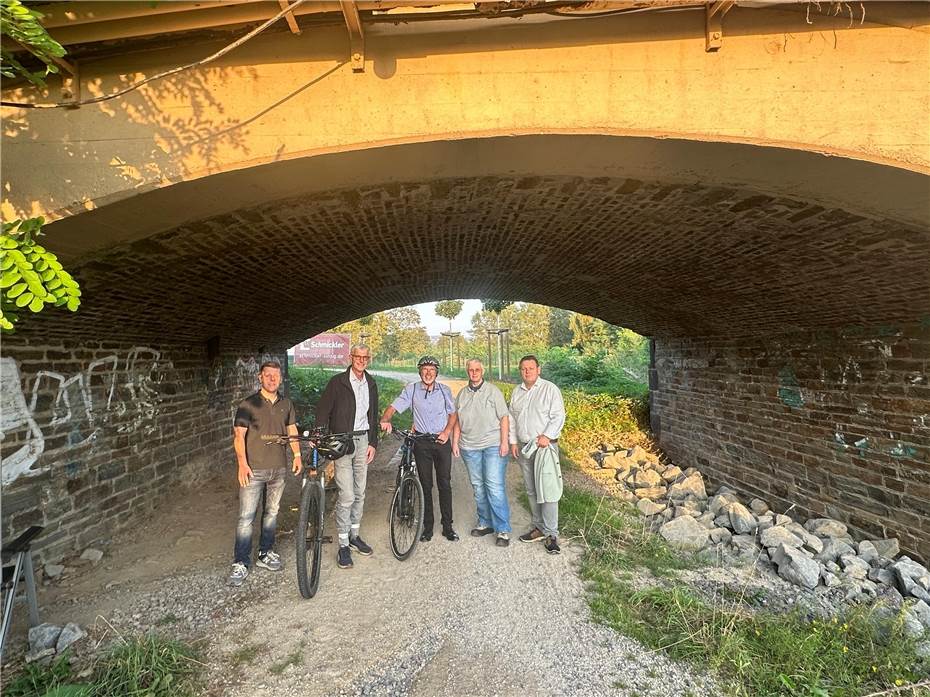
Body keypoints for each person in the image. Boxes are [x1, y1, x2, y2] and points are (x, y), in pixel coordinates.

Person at [229, 361, 301, 586]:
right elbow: (239, 436)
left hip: (278, 469)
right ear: (260, 377)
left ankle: (264, 553)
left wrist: (297, 455)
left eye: (276, 376)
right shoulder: (248, 404)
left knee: (271, 513)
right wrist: (242, 464)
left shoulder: (286, 404)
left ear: (280, 379)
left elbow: (291, 430)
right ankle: (240, 562)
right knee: (246, 517)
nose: (272, 379)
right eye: (268, 375)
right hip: (254, 469)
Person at [380, 355, 459, 542]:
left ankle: (448, 526)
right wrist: (385, 419)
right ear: (419, 372)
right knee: (425, 485)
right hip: (422, 442)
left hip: (441, 441)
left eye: (432, 370)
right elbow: (394, 406)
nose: (428, 373)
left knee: (444, 483)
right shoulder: (412, 389)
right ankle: (427, 527)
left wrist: (447, 432)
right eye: (424, 370)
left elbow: (453, 414)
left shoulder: (444, 390)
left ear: (436, 372)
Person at [315, 344, 379, 569]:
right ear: (350, 358)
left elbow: (374, 414)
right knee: (347, 494)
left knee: (360, 491)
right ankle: (343, 543)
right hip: (342, 441)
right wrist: (321, 435)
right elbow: (323, 410)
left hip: (363, 441)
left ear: (368, 359)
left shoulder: (370, 383)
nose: (361, 360)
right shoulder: (337, 382)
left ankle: (354, 535)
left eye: (365, 357)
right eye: (357, 356)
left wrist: (373, 442)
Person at [509, 355, 566, 555]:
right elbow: (512, 419)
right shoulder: (517, 392)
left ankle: (551, 534)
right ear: (520, 370)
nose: (527, 372)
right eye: (523, 368)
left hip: (544, 448)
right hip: (525, 448)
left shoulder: (550, 389)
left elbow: (558, 416)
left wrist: (548, 436)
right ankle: (539, 527)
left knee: (548, 491)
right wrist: (513, 441)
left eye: (531, 368)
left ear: (538, 369)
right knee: (532, 490)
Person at [452, 358, 512, 547]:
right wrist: (455, 442)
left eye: (477, 369)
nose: (474, 372)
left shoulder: (493, 391)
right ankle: (485, 522)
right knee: (478, 486)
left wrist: (504, 442)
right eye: (471, 370)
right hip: (469, 447)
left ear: (482, 371)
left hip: (493, 445)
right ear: (467, 371)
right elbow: (458, 421)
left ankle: (503, 529)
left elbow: (504, 417)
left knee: (494, 486)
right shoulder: (461, 395)